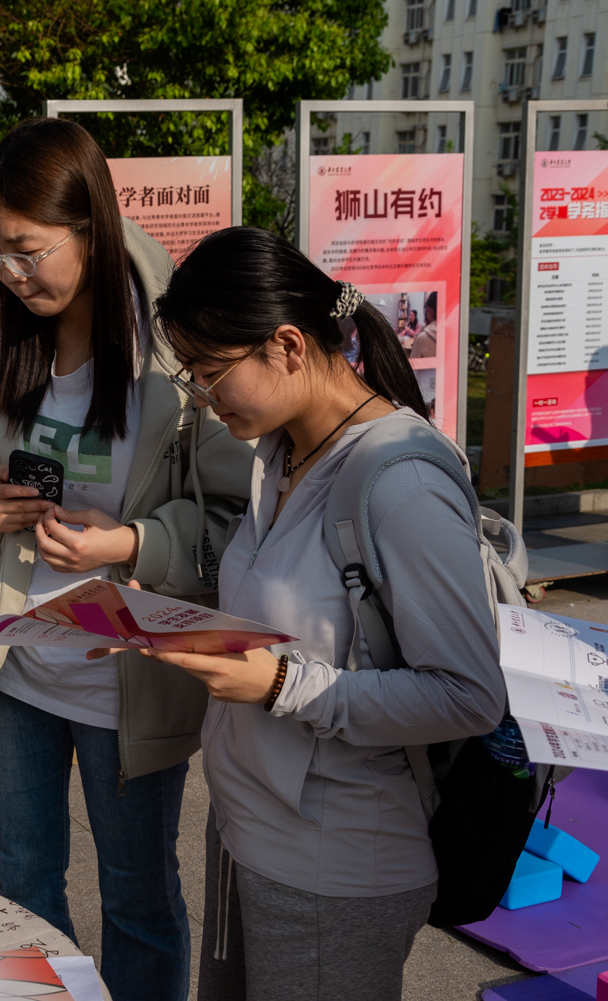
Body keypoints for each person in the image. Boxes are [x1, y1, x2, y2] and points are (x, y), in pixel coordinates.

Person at [0, 117, 254, 1001]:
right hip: (16, 668)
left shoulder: (173, 341)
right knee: (25, 900)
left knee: (139, 902)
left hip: (130, 675)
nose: (8, 272)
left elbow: (237, 514)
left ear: (91, 226)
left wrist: (131, 545)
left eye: (27, 250)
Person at [149, 227, 504, 1001]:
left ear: (286, 345)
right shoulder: (280, 450)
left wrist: (284, 685)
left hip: (335, 863)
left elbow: (468, 694)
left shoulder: (400, 482)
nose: (204, 397)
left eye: (211, 372)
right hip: (250, 834)